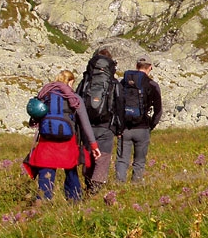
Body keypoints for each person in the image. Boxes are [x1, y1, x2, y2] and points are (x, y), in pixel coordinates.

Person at [26, 69, 101, 201]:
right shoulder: (74, 98)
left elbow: (35, 115)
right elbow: (85, 123)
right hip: (68, 142)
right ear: (70, 82)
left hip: (46, 141)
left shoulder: (45, 95)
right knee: (71, 171)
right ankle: (74, 201)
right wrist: (94, 145)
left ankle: (42, 202)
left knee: (46, 172)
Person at [77, 47, 124, 194]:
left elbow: (77, 101)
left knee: (89, 154)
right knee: (102, 158)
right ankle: (95, 189)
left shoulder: (85, 81)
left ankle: (87, 183)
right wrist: (119, 129)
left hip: (87, 126)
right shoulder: (113, 83)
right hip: (106, 126)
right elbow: (120, 105)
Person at [115, 57, 162, 183]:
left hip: (124, 128)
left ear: (137, 66)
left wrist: (118, 125)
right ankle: (136, 186)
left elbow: (116, 105)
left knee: (122, 159)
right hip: (143, 128)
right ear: (150, 67)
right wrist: (150, 126)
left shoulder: (123, 83)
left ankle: (119, 186)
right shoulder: (152, 85)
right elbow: (158, 111)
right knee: (139, 161)